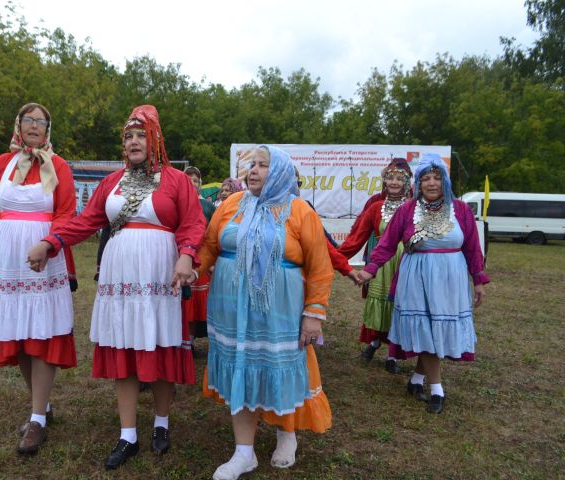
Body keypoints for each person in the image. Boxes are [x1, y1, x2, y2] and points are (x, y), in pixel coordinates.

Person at [26, 105, 206, 470]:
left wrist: (186, 255)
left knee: (160, 346)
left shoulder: (175, 180)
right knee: (125, 345)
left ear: (154, 139)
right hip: (120, 272)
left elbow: (193, 223)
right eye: (128, 136)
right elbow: (86, 221)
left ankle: (161, 423)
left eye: (140, 135)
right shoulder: (112, 183)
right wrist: (51, 242)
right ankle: (128, 435)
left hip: (159, 273)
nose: (134, 142)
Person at [199, 145, 333, 480]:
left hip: (281, 310)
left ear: (282, 172)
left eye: (263, 165)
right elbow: (209, 247)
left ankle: (286, 432)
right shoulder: (231, 205)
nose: (253, 171)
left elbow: (320, 268)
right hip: (231, 308)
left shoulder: (299, 211)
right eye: (251, 165)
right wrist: (190, 268)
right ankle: (244, 452)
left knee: (278, 366)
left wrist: (313, 314)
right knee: (241, 367)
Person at [0, 102, 78, 454]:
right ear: (18, 125)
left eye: (41, 121)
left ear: (48, 129)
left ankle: (36, 418)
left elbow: (66, 213)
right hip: (7, 260)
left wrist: (49, 245)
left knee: (42, 333)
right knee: (18, 334)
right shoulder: (1, 165)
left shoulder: (59, 167)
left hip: (44, 258)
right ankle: (43, 406)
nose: (34, 126)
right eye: (28, 120)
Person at [355, 153, 489, 414]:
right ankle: (437, 388)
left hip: (451, 277)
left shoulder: (460, 209)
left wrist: (479, 280)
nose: (431, 183)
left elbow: (473, 247)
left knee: (436, 329)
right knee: (426, 328)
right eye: (425, 178)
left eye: (436, 178)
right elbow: (387, 244)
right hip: (416, 276)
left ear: (445, 181)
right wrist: (371, 270)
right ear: (418, 183)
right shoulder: (407, 210)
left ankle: (417, 379)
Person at [338, 158, 413, 373]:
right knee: (381, 302)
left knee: (401, 304)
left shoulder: (415, 206)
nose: (395, 182)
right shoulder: (376, 205)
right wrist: (332, 256)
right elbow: (356, 236)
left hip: (406, 261)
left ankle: (393, 355)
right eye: (391, 177)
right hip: (381, 261)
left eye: (400, 178)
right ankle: (375, 341)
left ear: (408, 181)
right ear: (384, 180)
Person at [183, 166, 216, 345]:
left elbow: (214, 235)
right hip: (181, 258)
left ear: (200, 184)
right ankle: (186, 342)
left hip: (202, 260)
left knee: (198, 304)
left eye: (196, 180)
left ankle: (196, 339)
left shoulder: (208, 206)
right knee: (185, 303)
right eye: (188, 179)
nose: (192, 183)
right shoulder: (175, 203)